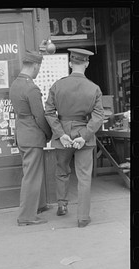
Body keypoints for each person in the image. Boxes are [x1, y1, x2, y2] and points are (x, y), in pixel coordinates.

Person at [45, 48, 104, 228]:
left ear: (70, 63)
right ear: (86, 63)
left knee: (62, 170)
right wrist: (84, 136)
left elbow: (48, 112)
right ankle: (83, 218)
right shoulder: (94, 88)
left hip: (62, 135)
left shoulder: (57, 85)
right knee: (84, 177)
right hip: (83, 136)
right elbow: (98, 116)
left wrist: (61, 134)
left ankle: (62, 204)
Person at [9, 50, 52, 226]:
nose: (39, 71)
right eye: (39, 68)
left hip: (22, 134)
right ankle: (26, 216)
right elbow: (39, 116)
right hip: (32, 135)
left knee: (32, 173)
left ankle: (38, 206)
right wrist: (49, 133)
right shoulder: (31, 88)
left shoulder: (15, 84)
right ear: (35, 66)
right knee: (31, 176)